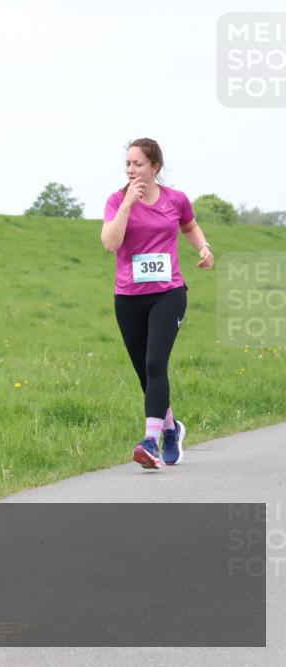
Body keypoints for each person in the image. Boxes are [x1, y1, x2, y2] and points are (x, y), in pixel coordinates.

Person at [101, 138, 214, 469]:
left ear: (155, 168)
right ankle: (171, 428)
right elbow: (111, 243)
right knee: (143, 374)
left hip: (169, 293)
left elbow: (189, 226)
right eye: (128, 164)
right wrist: (126, 206)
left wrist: (203, 247)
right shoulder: (115, 200)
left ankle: (149, 440)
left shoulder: (175, 200)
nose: (131, 170)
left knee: (155, 365)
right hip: (128, 297)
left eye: (137, 164)